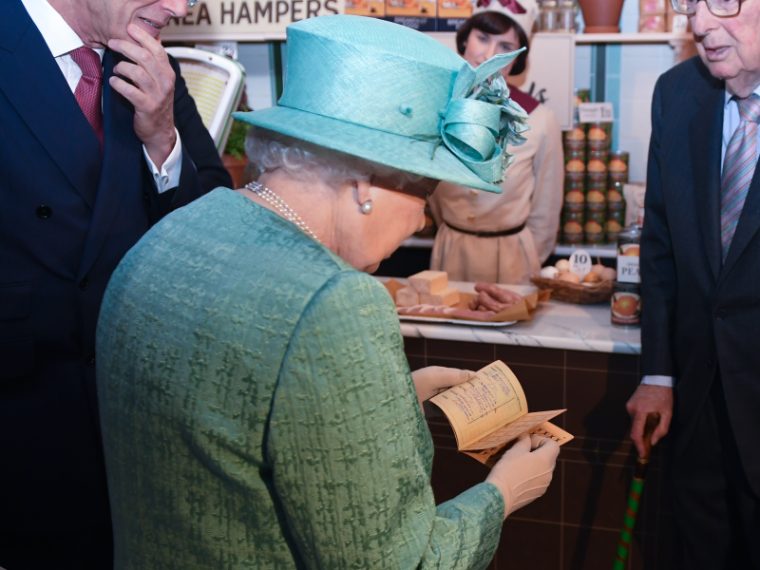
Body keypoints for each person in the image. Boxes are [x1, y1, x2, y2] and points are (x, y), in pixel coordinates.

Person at [95, 15, 560, 569]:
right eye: (425, 192)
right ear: (365, 184)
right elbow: (397, 562)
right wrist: (502, 493)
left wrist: (382, 402)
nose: (420, 221)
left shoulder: (170, 234)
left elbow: (231, 418)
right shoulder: (336, 302)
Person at [0, 0, 231, 568]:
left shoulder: (152, 67)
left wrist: (162, 142)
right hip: (22, 420)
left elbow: (217, 224)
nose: (180, 7)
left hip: (134, 424)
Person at [625, 0, 760, 567]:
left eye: (722, 0)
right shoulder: (677, 93)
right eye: (689, 2)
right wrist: (659, 372)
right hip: (698, 407)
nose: (700, 23)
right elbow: (659, 244)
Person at [428, 0, 563, 284]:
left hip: (513, 261)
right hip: (450, 253)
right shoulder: (437, 107)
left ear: (516, 59)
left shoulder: (539, 119)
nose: (490, 55)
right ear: (465, 40)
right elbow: (431, 189)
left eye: (505, 46)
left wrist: (528, 259)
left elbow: (547, 209)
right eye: (483, 38)